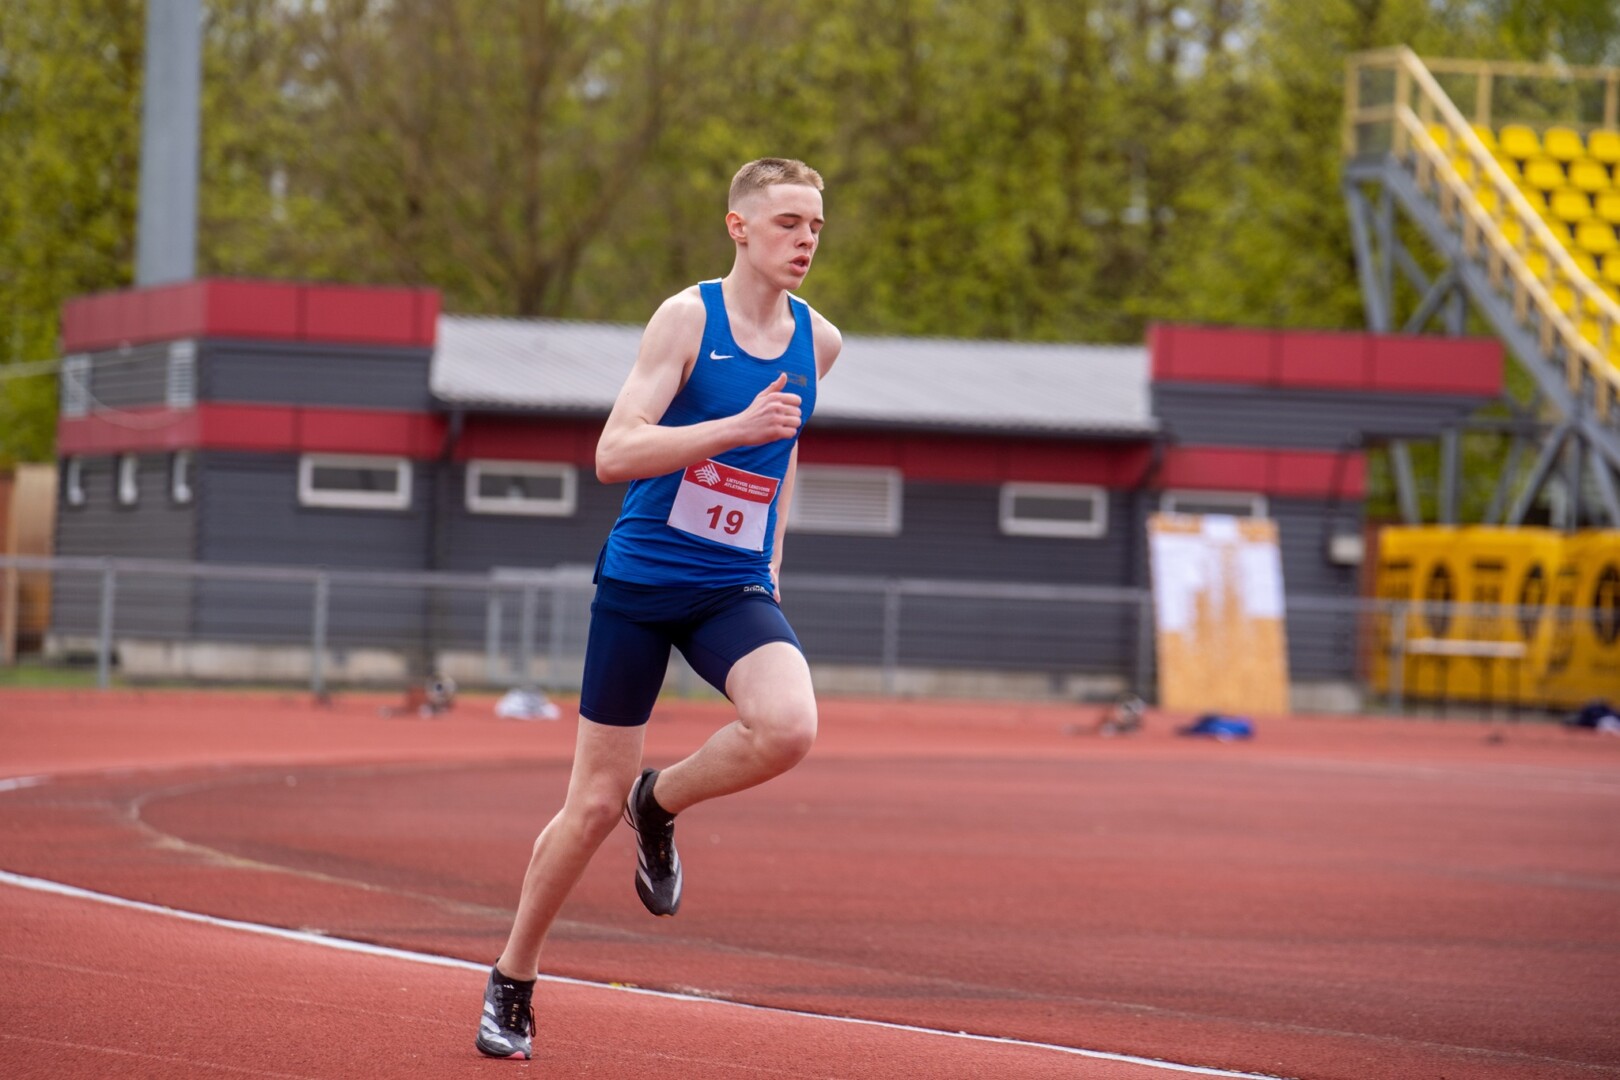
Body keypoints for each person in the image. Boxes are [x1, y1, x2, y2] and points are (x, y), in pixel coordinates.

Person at [476, 157, 842, 1061]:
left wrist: (773, 557)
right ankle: (513, 977)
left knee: (789, 727)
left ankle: (661, 803)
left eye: (815, 226)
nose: (805, 240)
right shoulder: (688, 318)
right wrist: (729, 430)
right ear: (738, 227)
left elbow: (785, 450)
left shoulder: (820, 341)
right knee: (589, 804)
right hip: (641, 586)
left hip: (730, 585)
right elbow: (614, 453)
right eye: (788, 222)